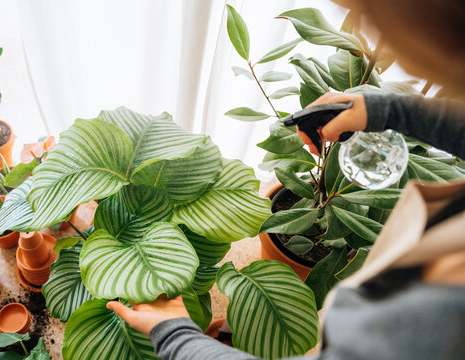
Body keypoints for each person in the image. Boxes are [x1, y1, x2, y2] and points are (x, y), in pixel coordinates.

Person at [107, 1, 465, 358]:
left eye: (373, 18)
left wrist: (174, 336)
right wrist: (386, 110)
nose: (367, 31)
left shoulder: (440, 313)